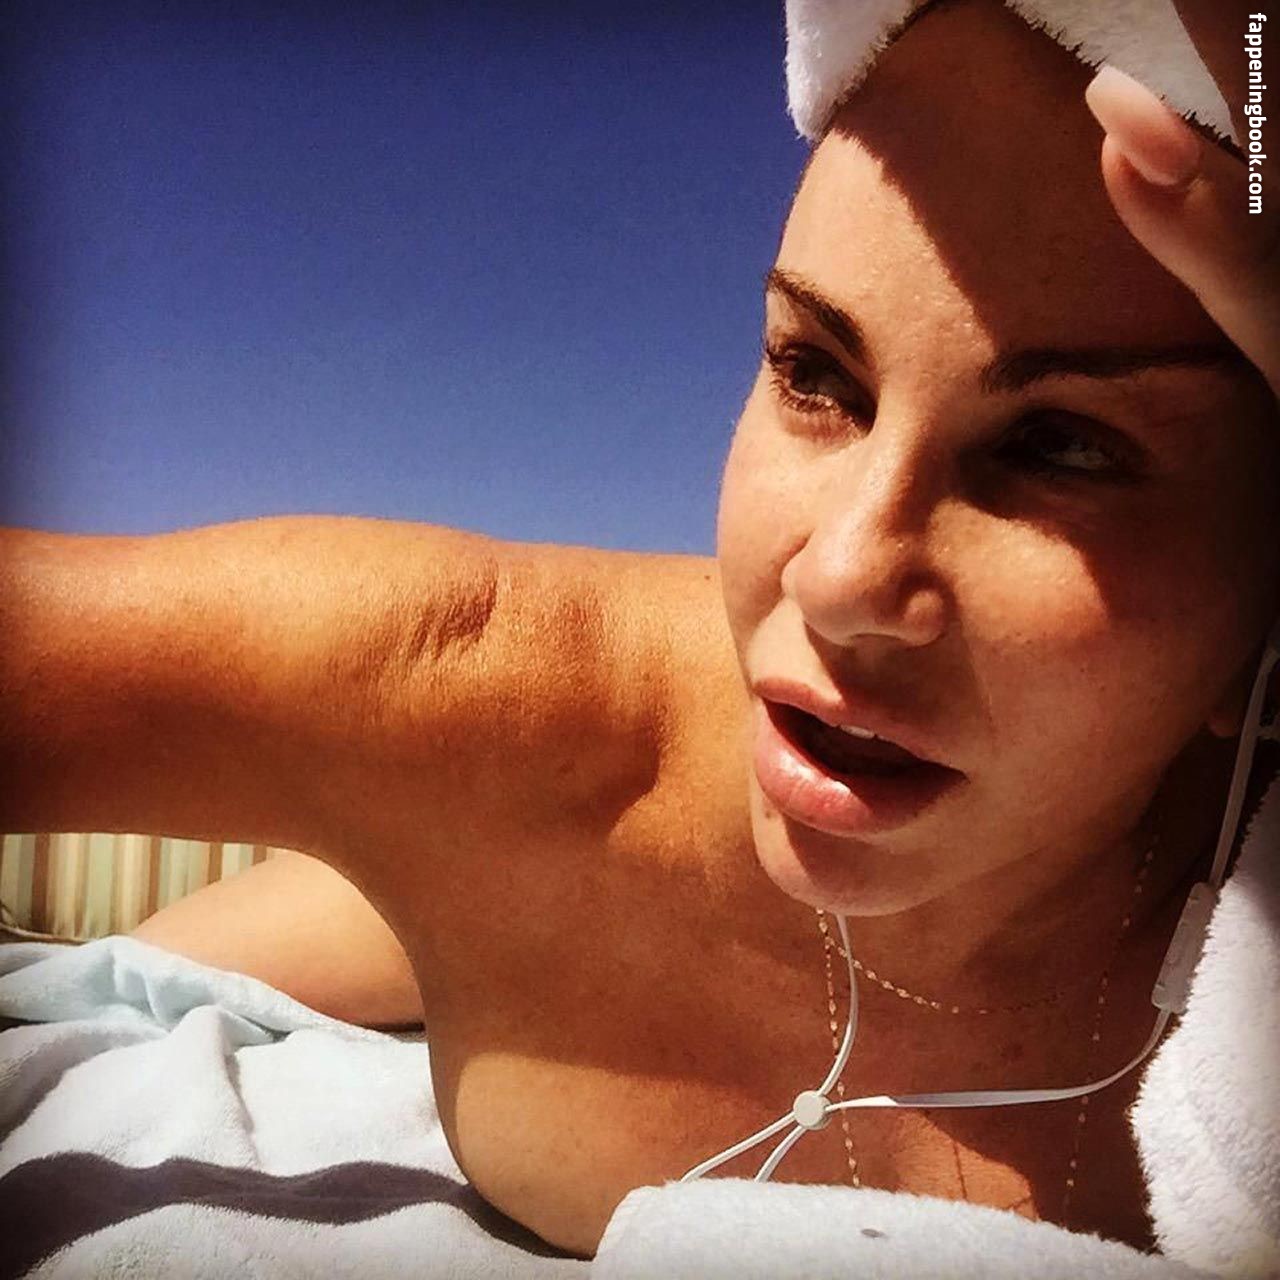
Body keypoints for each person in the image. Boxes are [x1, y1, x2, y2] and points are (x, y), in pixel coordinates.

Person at [2, 0, 1276, 1261]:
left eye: (1063, 448)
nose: (839, 578)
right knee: (147, 964)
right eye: (814, 372)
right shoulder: (496, 704)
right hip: (475, 854)